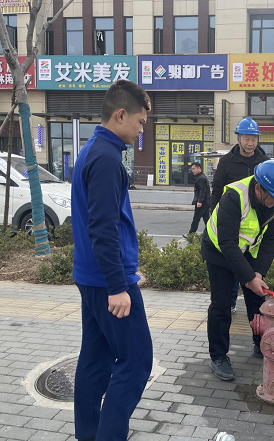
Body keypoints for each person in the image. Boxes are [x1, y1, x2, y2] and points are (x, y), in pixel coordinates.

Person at [71, 80, 153, 441]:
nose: (141, 130)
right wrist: (119, 285)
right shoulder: (106, 159)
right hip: (108, 282)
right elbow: (103, 228)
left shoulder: (93, 149)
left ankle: (88, 434)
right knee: (136, 362)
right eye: (140, 122)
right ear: (121, 115)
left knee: (95, 359)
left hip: (92, 275)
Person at [202, 159, 274, 381]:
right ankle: (219, 356)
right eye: (273, 197)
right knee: (222, 305)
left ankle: (261, 343)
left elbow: (272, 239)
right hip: (219, 251)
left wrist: (258, 273)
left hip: (248, 251)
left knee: (257, 299)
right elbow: (227, 243)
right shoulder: (235, 196)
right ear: (259, 189)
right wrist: (249, 278)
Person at [211, 117, 269, 314]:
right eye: (246, 138)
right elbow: (217, 192)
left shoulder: (264, 162)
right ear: (238, 139)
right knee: (230, 263)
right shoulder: (226, 162)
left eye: (254, 139)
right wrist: (215, 218)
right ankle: (231, 301)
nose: (250, 143)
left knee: (249, 267)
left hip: (253, 226)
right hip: (230, 221)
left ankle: (255, 313)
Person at [185, 161, 211, 235]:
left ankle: (191, 234)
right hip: (205, 202)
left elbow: (203, 191)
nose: (192, 171)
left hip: (202, 202)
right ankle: (212, 233)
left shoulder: (201, 178)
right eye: (192, 169)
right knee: (206, 219)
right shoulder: (200, 177)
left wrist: (200, 201)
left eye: (194, 169)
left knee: (196, 218)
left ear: (199, 168)